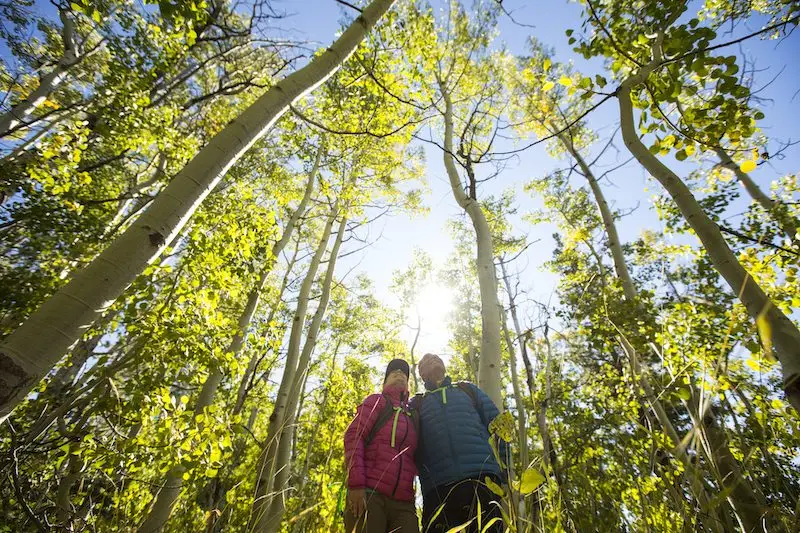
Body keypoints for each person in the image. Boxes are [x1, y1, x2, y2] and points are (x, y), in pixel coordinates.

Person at [411, 353, 506, 533]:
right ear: (422, 374)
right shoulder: (416, 404)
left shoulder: (467, 389)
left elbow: (499, 425)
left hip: (482, 478)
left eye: (437, 358)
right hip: (438, 488)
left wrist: (505, 469)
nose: (434, 360)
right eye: (427, 361)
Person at [343, 359, 420, 533]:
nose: (399, 373)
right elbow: (354, 436)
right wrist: (356, 484)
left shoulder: (414, 415)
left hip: (404, 504)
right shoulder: (377, 401)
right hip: (369, 495)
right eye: (393, 373)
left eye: (404, 374)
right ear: (385, 382)